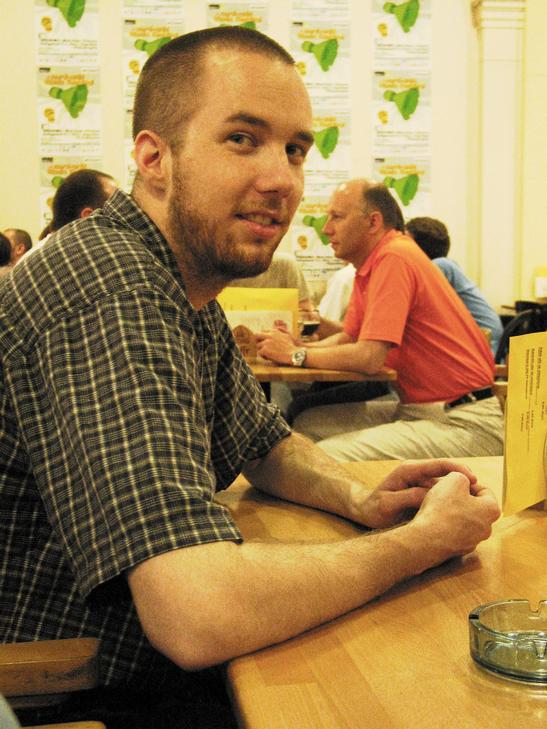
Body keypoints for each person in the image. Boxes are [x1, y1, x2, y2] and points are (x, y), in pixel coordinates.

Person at [0, 29, 500, 729]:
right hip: (68, 680)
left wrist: (361, 498)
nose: (282, 180)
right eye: (242, 139)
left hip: (140, 657)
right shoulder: (110, 288)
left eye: (295, 149)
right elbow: (196, 613)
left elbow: (264, 444)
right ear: (154, 158)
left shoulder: (180, 283)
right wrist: (419, 543)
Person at [257, 178, 504, 461]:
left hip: (464, 421)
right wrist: (298, 347)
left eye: (337, 217)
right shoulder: (370, 266)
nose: (326, 229)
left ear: (373, 222)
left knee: (320, 459)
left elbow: (370, 357)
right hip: (421, 410)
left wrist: (295, 355)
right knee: (309, 421)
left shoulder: (395, 257)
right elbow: (349, 338)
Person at [406, 216, 503, 354]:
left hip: (482, 341)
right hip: (479, 337)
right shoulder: (446, 265)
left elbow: (414, 298)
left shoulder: (441, 265)